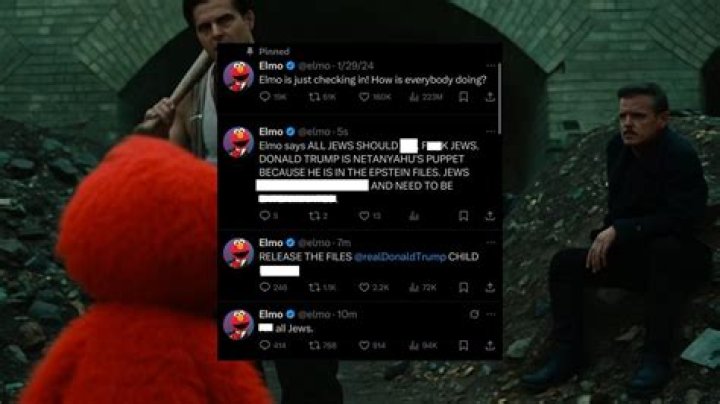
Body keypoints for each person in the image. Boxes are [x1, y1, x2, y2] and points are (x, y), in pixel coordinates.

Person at [139, 1, 344, 403]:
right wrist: (157, 133)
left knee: (310, 380)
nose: (216, 32)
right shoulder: (193, 95)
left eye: (225, 20)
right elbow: (168, 172)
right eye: (205, 27)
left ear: (248, 19)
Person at [521, 83, 713, 398]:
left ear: (662, 119)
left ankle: (656, 358)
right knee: (565, 264)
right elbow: (620, 206)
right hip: (636, 255)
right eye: (623, 116)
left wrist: (623, 230)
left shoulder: (679, 154)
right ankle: (568, 353)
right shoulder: (618, 149)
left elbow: (684, 218)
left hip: (678, 259)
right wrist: (609, 235)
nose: (627, 124)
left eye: (638, 116)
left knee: (665, 250)